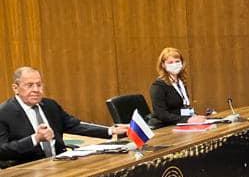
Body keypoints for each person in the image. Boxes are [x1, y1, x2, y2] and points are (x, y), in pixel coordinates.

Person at [0, 66, 129, 167]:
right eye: (29, 85)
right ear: (15, 88)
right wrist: (35, 139)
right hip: (26, 170)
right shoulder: (4, 113)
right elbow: (2, 151)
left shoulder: (50, 105)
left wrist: (111, 130)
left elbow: (75, 125)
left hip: (59, 164)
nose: (36, 90)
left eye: (39, 85)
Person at [149, 47, 206, 128]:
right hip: (165, 126)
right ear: (163, 65)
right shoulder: (158, 86)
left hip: (180, 123)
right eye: (170, 62)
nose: (174, 64)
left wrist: (194, 116)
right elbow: (161, 114)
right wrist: (187, 120)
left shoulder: (181, 82)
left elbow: (182, 106)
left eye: (177, 61)